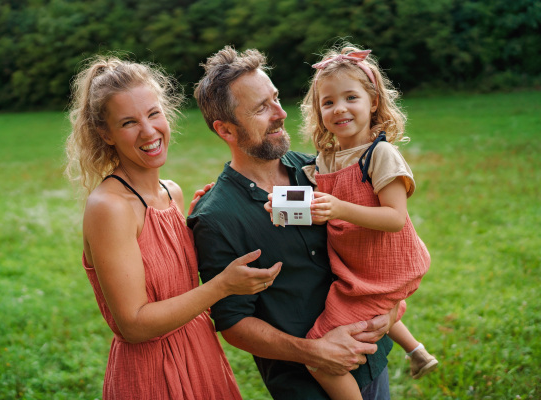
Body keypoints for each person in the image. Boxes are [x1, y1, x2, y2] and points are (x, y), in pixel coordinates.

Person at [64, 55, 281, 400]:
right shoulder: (110, 207)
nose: (149, 131)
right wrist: (223, 286)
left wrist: (195, 227)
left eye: (153, 114)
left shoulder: (171, 192)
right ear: (105, 134)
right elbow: (133, 324)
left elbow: (171, 279)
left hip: (200, 355)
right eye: (128, 123)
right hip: (152, 372)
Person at [188, 46, 397, 400]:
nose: (281, 113)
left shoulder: (321, 170)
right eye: (261, 108)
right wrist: (315, 352)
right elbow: (234, 323)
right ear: (226, 130)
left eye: (276, 98)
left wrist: (387, 314)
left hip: (371, 357)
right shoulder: (215, 217)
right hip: (307, 386)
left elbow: (376, 242)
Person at [281, 43, 438, 399]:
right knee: (375, 318)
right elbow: (311, 201)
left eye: (351, 97)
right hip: (356, 268)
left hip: (382, 270)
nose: (339, 108)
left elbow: (396, 218)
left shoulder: (380, 154)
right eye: (328, 101)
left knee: (320, 354)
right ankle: (417, 351)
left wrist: (339, 208)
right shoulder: (326, 159)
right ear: (318, 111)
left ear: (373, 102)